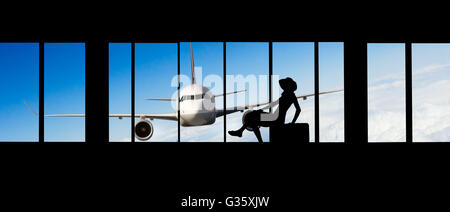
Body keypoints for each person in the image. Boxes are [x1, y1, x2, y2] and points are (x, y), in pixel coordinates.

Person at [228, 77, 301, 142]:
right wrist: (261, 109)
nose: (283, 87)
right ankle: (241, 132)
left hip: (277, 120)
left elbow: (298, 110)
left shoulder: (291, 96)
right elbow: (273, 104)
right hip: (274, 117)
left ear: (288, 86)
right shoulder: (286, 95)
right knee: (253, 115)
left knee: (252, 118)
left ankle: (241, 132)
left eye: (285, 85)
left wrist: (293, 123)